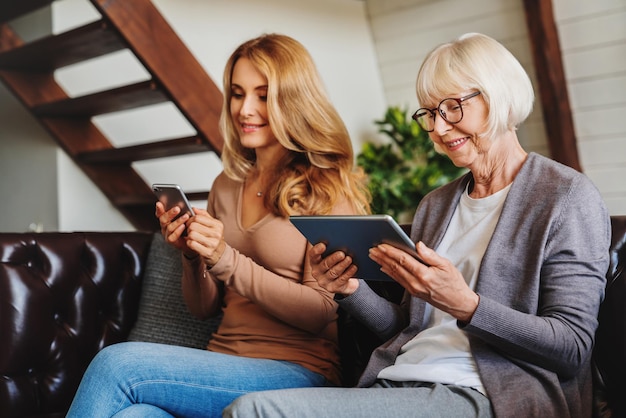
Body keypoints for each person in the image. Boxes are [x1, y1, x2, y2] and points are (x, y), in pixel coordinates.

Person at [223, 32, 611, 418]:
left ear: (499, 95)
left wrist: (467, 305)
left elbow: (572, 347)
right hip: (402, 380)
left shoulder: (566, 197)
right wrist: (350, 289)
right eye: (430, 113)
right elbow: (408, 328)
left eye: (452, 107)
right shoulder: (437, 205)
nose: (439, 129)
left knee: (253, 410)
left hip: (485, 392)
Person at [66, 33, 370, 418]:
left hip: (300, 373)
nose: (245, 109)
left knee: (116, 365)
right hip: (220, 364)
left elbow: (321, 312)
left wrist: (225, 258)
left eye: (262, 95)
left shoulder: (325, 188)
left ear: (293, 100)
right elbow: (203, 308)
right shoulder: (225, 185)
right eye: (238, 93)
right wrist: (193, 256)